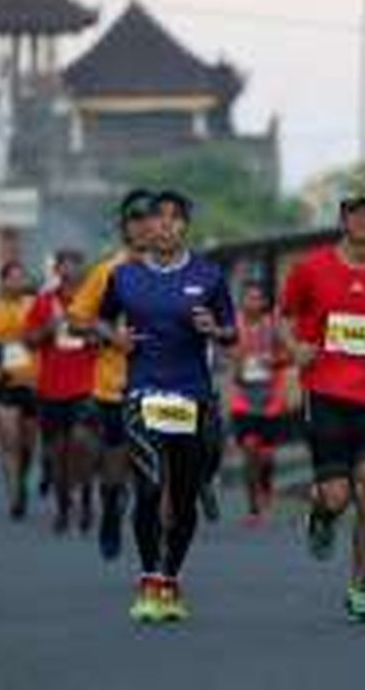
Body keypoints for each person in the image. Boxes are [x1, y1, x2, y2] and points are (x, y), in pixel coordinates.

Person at [281, 184, 365, 623]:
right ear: (343, 219)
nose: (362, 221)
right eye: (354, 213)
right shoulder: (311, 269)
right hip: (323, 395)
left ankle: (359, 588)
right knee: (339, 498)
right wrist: (295, 348)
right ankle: (322, 515)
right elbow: (284, 316)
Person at [97, 189, 237, 624]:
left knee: (184, 495)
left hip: (192, 395)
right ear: (144, 227)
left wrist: (215, 329)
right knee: (151, 488)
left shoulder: (209, 276)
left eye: (175, 219)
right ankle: (148, 579)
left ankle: (170, 579)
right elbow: (101, 321)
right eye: (156, 218)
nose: (164, 226)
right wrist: (113, 337)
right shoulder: (125, 277)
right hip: (143, 394)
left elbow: (231, 332)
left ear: (184, 227)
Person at [69, 188, 156, 559]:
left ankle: (154, 538)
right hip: (114, 385)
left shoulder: (175, 269)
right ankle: (110, 511)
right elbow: (76, 321)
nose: (142, 227)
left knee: (158, 470)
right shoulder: (108, 271)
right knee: (116, 463)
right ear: (124, 227)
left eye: (148, 218)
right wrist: (112, 335)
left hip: (165, 385)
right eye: (134, 219)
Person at [27, 249, 100, 534]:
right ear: (57, 269)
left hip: (86, 385)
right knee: (57, 452)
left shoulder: (94, 301)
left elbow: (108, 335)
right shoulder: (44, 303)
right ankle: (62, 506)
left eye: (76, 264)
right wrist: (50, 327)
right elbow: (29, 341)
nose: (70, 270)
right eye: (65, 265)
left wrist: (91, 331)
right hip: (51, 388)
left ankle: (85, 498)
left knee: (82, 443)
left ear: (83, 269)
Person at [0, 260, 39, 520]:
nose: (16, 282)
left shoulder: (35, 306)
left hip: (33, 382)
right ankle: (14, 495)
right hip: (4, 382)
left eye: (20, 278)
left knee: (28, 445)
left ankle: (22, 481)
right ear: (2, 281)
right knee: (9, 441)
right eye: (11, 278)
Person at [227, 280, 292, 527]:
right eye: (248, 298)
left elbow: (292, 354)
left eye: (258, 298)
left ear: (264, 302)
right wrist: (235, 361)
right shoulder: (233, 326)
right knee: (249, 450)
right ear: (241, 301)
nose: (253, 303)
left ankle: (266, 486)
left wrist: (274, 361)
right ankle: (253, 507)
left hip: (271, 400)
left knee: (266, 456)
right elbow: (223, 353)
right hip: (242, 400)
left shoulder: (274, 326)